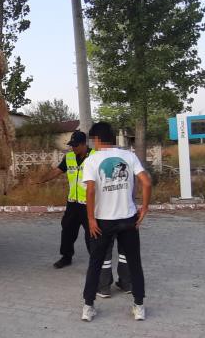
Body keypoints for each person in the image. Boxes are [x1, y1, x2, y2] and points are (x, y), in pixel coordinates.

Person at [80, 122, 152, 322]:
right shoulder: (129, 156)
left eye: (92, 140)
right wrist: (144, 208)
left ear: (96, 139)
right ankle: (139, 307)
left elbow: (91, 190)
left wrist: (91, 219)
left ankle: (88, 307)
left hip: (103, 221)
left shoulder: (92, 160)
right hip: (129, 219)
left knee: (95, 263)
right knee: (134, 262)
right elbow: (146, 182)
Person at [37, 130, 94, 268]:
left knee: (92, 233)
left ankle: (96, 260)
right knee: (67, 230)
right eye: (71, 145)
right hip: (73, 203)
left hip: (89, 203)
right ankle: (66, 257)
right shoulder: (69, 158)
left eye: (75, 145)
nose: (72, 148)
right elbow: (57, 171)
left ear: (83, 144)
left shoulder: (95, 156)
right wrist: (41, 180)